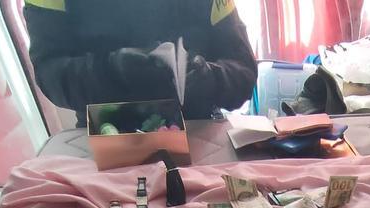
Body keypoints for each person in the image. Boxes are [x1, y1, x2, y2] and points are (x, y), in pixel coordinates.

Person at [24, 0, 259, 125]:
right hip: (104, 135)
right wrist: (110, 70)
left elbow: (244, 70)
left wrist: (210, 78)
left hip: (198, 129)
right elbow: (49, 72)